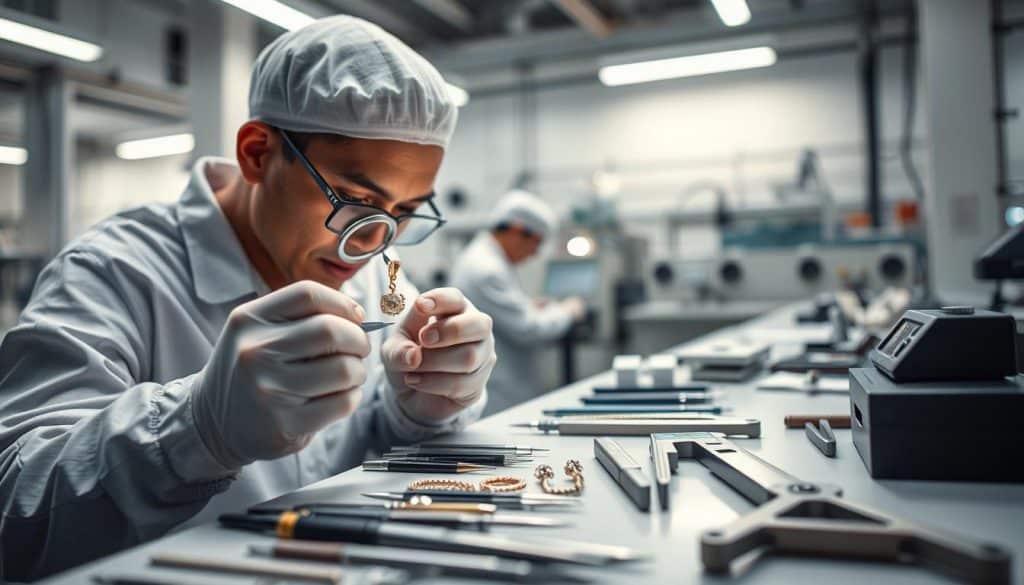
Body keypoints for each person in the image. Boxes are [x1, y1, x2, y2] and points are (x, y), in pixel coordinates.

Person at [0, 16, 496, 581]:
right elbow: (16, 517)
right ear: (257, 152)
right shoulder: (113, 272)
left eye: (405, 213)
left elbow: (358, 454)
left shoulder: (366, 271)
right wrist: (194, 430)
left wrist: (420, 412)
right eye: (358, 199)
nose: (374, 243)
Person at [450, 190, 585, 415]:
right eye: (536, 243)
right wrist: (568, 311)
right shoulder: (487, 269)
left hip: (501, 386)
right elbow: (529, 329)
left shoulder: (486, 260)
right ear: (517, 230)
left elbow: (504, 316)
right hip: (498, 391)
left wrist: (528, 306)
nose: (534, 254)